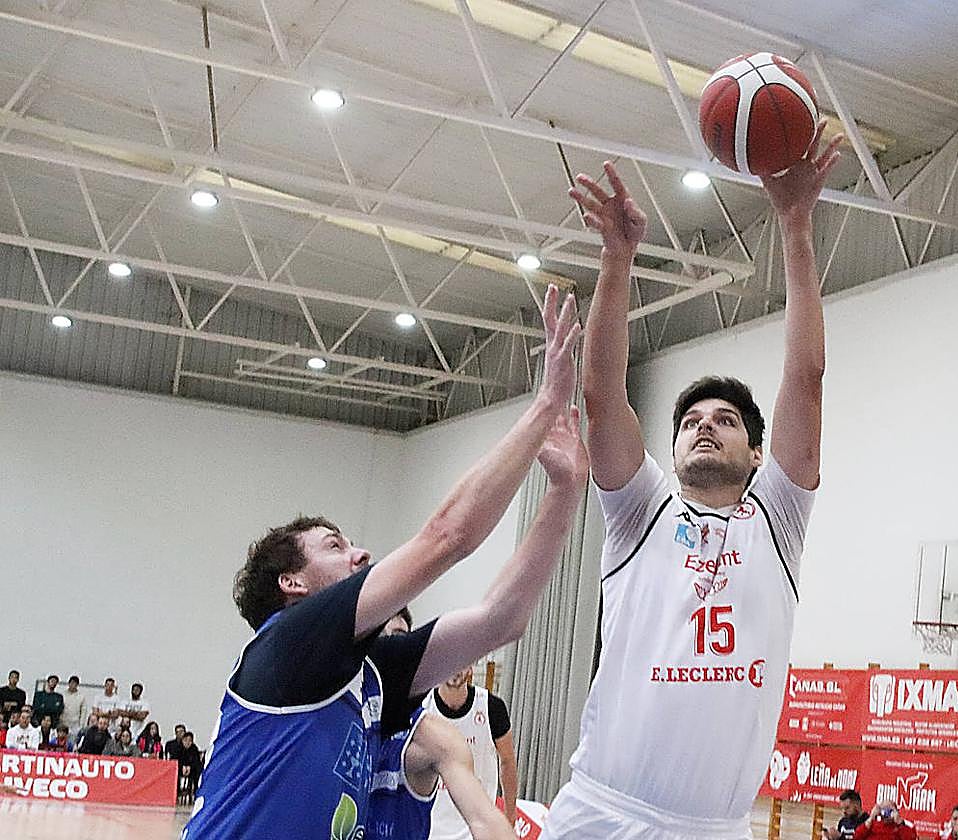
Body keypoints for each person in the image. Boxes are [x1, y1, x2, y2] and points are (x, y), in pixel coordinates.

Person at [183, 288, 589, 840]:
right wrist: (545, 405)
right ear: (293, 583)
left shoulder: (370, 672)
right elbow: (448, 535)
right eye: (333, 546)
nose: (360, 553)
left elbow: (501, 620)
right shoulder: (292, 639)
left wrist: (565, 490)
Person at [546, 125, 843, 840]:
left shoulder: (778, 517)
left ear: (757, 454)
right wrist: (618, 261)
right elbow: (602, 394)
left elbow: (806, 378)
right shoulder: (639, 511)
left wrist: (795, 224)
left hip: (713, 827)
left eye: (726, 422)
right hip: (603, 813)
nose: (705, 427)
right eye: (690, 422)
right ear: (672, 450)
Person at [366, 611, 515, 840]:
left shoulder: (434, 736)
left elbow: (484, 816)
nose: (387, 652)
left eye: (396, 640)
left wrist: (510, 818)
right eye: (380, 641)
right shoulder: (332, 721)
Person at [425, 666, 518, 839]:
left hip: (476, 831)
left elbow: (507, 761)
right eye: (450, 661)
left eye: (462, 659)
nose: (455, 667)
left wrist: (510, 816)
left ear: (471, 665)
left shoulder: (491, 707)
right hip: (430, 830)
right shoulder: (422, 706)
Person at [854, 802, 918, 840]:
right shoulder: (873, 824)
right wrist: (871, 817)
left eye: (890, 810)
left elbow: (911, 838)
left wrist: (899, 823)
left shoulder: (903, 825)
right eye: (884, 809)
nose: (886, 813)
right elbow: (857, 837)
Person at [59, 676, 88, 743]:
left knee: (72, 743)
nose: (73, 685)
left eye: (75, 683)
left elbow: (83, 712)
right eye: (71, 683)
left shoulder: (81, 696)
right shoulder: (62, 695)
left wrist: (81, 726)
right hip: (63, 723)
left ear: (77, 685)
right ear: (68, 683)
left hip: (75, 725)